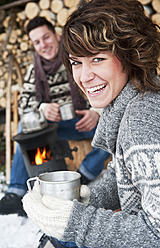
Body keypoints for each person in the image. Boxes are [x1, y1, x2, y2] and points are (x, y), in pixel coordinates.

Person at [22, 0, 160, 247]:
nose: (84, 77)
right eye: (76, 62)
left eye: (97, 59)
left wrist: (75, 221)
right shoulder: (136, 98)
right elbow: (126, 175)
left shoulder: (141, 122)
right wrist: (88, 199)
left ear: (131, 53)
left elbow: (157, 234)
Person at [0, 16, 110, 217]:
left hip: (83, 121)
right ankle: (16, 191)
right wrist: (42, 109)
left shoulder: (77, 58)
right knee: (23, 129)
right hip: (53, 127)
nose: (43, 45)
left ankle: (84, 174)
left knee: (112, 124)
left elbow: (105, 86)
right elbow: (24, 104)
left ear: (56, 35)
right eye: (37, 42)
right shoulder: (35, 71)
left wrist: (97, 113)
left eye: (46, 37)